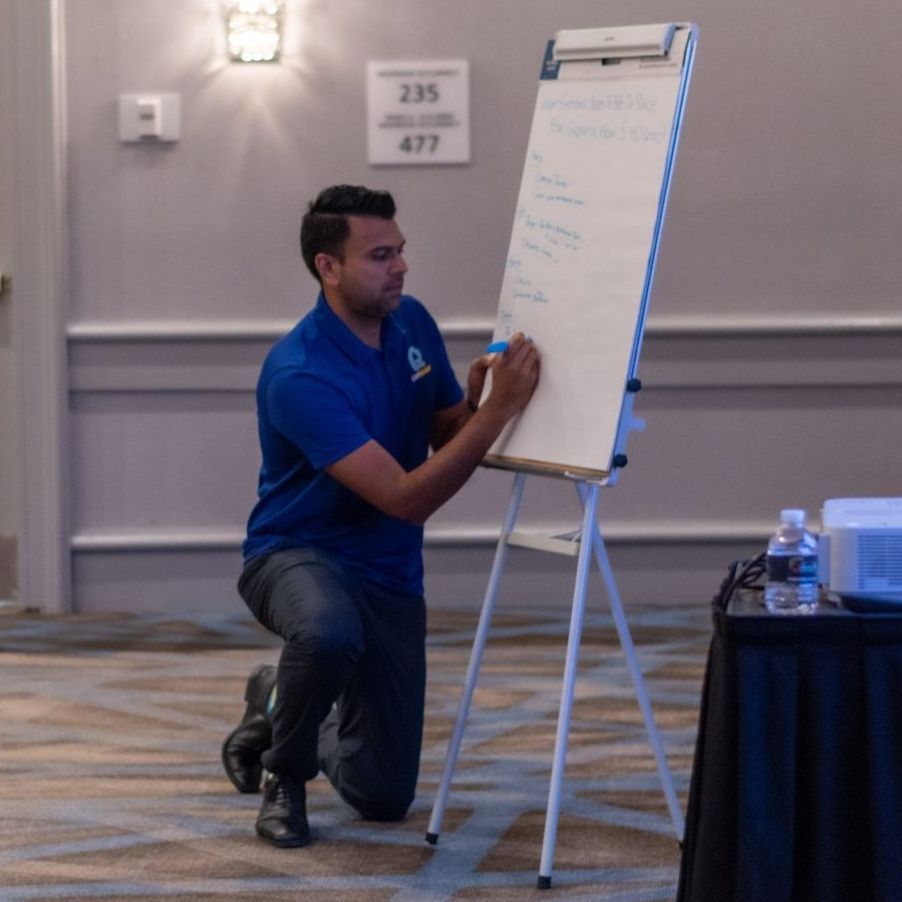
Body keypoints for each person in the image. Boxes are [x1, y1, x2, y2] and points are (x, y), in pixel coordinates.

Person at [222, 184, 540, 848]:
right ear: (328, 267)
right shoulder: (299, 374)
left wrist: (475, 405)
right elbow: (407, 497)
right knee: (328, 632)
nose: (400, 267)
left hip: (389, 572)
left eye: (400, 251)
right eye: (380, 255)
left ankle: (275, 697)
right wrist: (497, 414)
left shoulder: (412, 322)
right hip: (295, 555)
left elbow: (446, 430)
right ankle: (285, 773)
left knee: (382, 796)